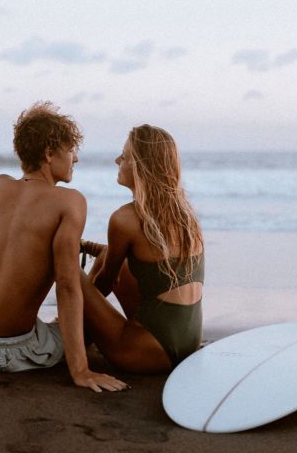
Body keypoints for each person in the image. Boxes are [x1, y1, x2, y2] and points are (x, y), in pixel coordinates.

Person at [0, 101, 128, 393]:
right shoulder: (71, 202)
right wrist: (81, 371)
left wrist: (80, 245)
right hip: (11, 352)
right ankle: (70, 352)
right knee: (88, 323)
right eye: (71, 150)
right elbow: (68, 288)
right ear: (48, 153)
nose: (76, 159)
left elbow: (19, 241)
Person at [80, 124, 205, 373]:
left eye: (124, 156)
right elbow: (150, 261)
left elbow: (104, 284)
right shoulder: (186, 215)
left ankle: (72, 338)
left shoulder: (124, 219)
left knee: (66, 269)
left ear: (141, 166)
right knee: (113, 261)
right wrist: (93, 248)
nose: (117, 160)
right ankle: (78, 333)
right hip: (189, 344)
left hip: (146, 352)